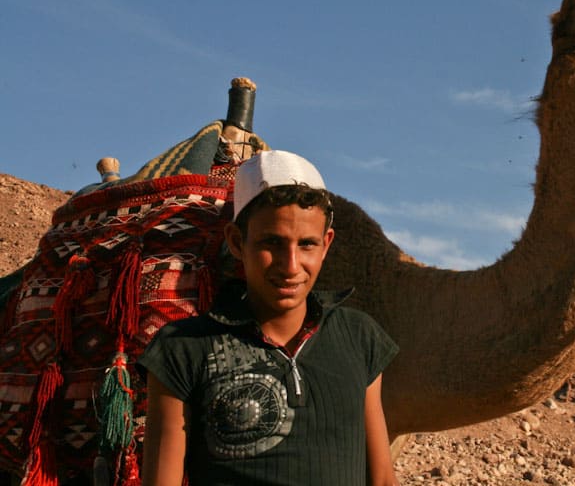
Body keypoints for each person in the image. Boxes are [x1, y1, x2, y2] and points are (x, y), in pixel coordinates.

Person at [138, 150, 400, 485]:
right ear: (236, 242)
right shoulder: (183, 349)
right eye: (271, 243)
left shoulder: (358, 337)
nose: (290, 266)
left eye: (306, 244)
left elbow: (382, 480)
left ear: (326, 245)